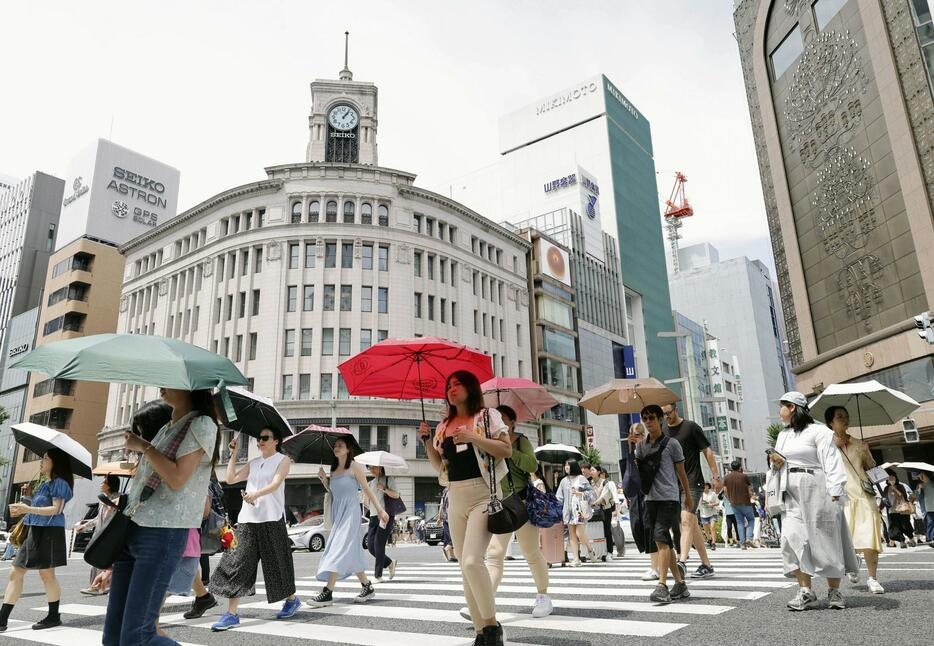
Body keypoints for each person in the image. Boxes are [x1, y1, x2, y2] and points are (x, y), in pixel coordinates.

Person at [103, 389, 220, 645]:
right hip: (134, 529)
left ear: (191, 387)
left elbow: (178, 478)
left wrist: (143, 446)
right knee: (114, 634)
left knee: (138, 636)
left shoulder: (202, 423)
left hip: (162, 532)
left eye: (171, 381)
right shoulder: (167, 427)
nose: (162, 386)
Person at [419, 370, 512, 646]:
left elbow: (505, 450)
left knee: (473, 561)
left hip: (483, 493)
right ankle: (480, 633)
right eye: (449, 385)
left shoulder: (486, 416)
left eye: (458, 384)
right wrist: (427, 442)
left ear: (471, 388)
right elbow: (439, 467)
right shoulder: (443, 425)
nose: (452, 388)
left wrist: (473, 438)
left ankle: (493, 628)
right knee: (464, 567)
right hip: (455, 496)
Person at [209, 427, 299, 631]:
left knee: (277, 563)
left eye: (265, 438)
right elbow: (230, 479)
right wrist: (233, 454)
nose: (261, 441)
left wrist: (255, 495)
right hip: (248, 519)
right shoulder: (254, 463)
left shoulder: (282, 461)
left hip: (272, 519)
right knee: (237, 562)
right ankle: (231, 614)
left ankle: (292, 599)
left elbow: (275, 484)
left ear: (276, 440)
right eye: (259, 438)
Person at [770, 392, 849, 611]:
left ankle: (834, 590)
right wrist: (775, 461)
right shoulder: (783, 435)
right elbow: (779, 461)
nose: (780, 411)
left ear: (793, 407)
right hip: (789, 488)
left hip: (816, 486)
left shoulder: (819, 431)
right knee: (792, 537)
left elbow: (831, 460)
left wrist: (835, 490)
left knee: (826, 537)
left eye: (782, 406)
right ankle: (805, 590)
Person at [480, 405, 551, 618]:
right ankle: (486, 601)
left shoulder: (521, 440)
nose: (498, 423)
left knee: (530, 552)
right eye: (495, 419)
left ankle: (543, 597)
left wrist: (511, 451)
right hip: (499, 504)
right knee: (494, 554)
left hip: (521, 502)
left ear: (512, 423)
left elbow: (532, 466)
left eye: (503, 419)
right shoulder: (489, 443)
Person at [308, 438, 389, 607]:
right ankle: (367, 586)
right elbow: (333, 492)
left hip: (351, 512)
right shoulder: (333, 469)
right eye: (335, 445)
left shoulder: (354, 466)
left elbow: (367, 490)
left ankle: (328, 592)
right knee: (351, 552)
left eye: (340, 445)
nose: (336, 448)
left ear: (348, 449)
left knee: (337, 548)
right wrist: (324, 480)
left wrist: (380, 510)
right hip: (338, 513)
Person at [0, 448, 74, 631]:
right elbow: (38, 508)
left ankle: (53, 616)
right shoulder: (44, 484)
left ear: (56, 462)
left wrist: (28, 509)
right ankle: (2, 619)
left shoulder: (60, 483)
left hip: (50, 532)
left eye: (45, 458)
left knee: (47, 574)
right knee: (16, 572)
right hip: (35, 531)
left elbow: (56, 510)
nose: (41, 462)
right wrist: (26, 501)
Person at [631, 404, 693, 603]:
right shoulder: (640, 446)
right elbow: (636, 475)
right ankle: (680, 585)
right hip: (650, 499)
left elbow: (682, 473)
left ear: (660, 419)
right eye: (645, 418)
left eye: (651, 417)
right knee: (664, 541)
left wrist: (688, 496)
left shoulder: (672, 444)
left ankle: (662, 585)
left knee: (660, 538)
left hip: (669, 498)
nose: (648, 422)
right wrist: (630, 449)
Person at [826, 406, 885, 593]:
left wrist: (867, 452)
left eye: (846, 416)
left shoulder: (859, 443)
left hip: (863, 494)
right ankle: (851, 562)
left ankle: (873, 578)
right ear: (830, 423)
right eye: (839, 417)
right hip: (840, 496)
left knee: (870, 535)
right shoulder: (825, 445)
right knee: (845, 537)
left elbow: (872, 467)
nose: (844, 420)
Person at [662, 402, 719, 579]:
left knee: (685, 520)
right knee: (691, 524)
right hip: (673, 484)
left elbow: (707, 450)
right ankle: (706, 565)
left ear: (676, 410)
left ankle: (682, 562)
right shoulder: (663, 431)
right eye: (662, 414)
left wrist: (715, 476)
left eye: (668, 413)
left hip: (693, 481)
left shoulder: (691, 427)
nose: (666, 417)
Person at [79, 474, 122, 596]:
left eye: (104, 481)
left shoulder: (118, 499)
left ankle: (101, 586)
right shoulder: (102, 499)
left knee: (106, 562)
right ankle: (95, 585)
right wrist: (85, 526)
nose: (101, 483)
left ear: (110, 485)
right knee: (95, 560)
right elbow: (98, 518)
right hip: (99, 535)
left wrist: (112, 506)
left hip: (110, 536)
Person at [556, 460, 596, 567]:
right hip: (568, 512)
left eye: (568, 465)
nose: (566, 467)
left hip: (579, 512)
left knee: (579, 534)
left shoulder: (581, 478)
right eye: (565, 465)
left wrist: (580, 493)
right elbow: (559, 497)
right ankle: (576, 559)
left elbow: (592, 493)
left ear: (573, 466)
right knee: (572, 536)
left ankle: (590, 549)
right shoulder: (563, 481)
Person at [366, 464, 400, 582]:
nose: (371, 470)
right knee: (370, 547)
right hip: (373, 516)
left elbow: (396, 495)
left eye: (373, 467)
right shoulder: (370, 483)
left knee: (378, 544)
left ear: (380, 467)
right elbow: (367, 503)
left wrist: (384, 488)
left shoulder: (388, 479)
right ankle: (390, 563)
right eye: (369, 468)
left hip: (385, 516)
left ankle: (378, 575)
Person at [883, 472, 917, 548]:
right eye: (890, 479)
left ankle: (911, 539)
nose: (891, 480)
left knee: (906, 525)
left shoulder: (900, 486)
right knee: (896, 527)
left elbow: (903, 496)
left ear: (896, 479)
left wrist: (894, 489)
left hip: (902, 510)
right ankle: (902, 542)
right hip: (892, 511)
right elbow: (884, 499)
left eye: (893, 478)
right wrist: (880, 507)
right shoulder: (886, 488)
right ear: (887, 480)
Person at [593, 466, 617, 559]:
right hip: (595, 510)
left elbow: (604, 497)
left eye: (593, 470)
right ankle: (599, 551)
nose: (591, 472)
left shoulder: (605, 483)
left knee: (606, 531)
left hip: (605, 510)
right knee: (597, 531)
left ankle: (609, 552)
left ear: (599, 472)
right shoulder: (590, 483)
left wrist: (594, 503)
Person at [698, 483, 720, 549]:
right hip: (703, 514)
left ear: (708, 486)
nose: (704, 487)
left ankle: (713, 543)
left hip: (713, 513)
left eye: (705, 486)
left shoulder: (713, 494)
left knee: (712, 527)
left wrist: (713, 504)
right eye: (703, 486)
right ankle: (709, 539)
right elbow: (698, 505)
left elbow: (718, 502)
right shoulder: (700, 494)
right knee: (706, 530)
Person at [917, 471, 934, 546]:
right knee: (931, 523)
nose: (921, 478)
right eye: (920, 476)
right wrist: (920, 490)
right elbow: (919, 497)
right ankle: (932, 538)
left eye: (922, 476)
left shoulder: (933, 483)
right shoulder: (921, 485)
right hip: (929, 507)